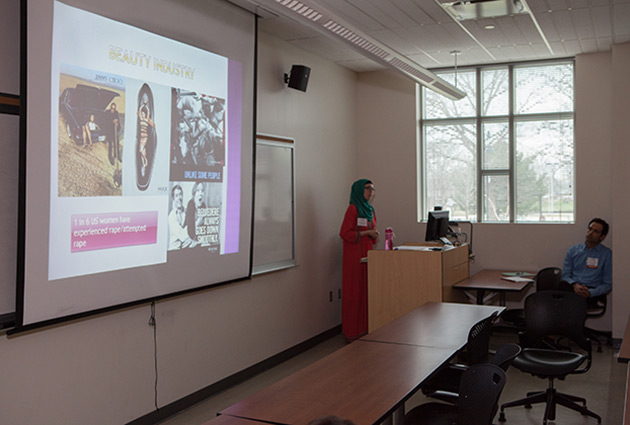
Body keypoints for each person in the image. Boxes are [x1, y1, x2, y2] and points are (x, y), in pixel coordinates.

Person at [339, 179, 378, 341]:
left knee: (366, 292)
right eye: (368, 188)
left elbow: (372, 232)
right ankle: (352, 332)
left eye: (373, 189)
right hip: (354, 258)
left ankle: (365, 329)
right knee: (355, 293)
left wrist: (374, 234)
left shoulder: (370, 209)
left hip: (367, 255)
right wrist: (365, 234)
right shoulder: (353, 209)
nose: (371, 192)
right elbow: (345, 233)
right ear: (358, 190)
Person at [562, 218, 612, 300]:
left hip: (592, 290)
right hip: (572, 287)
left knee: (575, 303)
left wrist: (590, 292)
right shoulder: (573, 250)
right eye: (590, 229)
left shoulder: (607, 254)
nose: (591, 233)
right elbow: (565, 275)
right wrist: (575, 285)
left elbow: (607, 284)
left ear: (602, 237)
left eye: (596, 231)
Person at [168, 184, 195, 250]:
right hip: (174, 250)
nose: (179, 198)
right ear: (173, 198)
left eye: (180, 194)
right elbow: (183, 235)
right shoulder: (172, 216)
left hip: (185, 248)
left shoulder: (186, 212)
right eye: (176, 196)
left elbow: (193, 231)